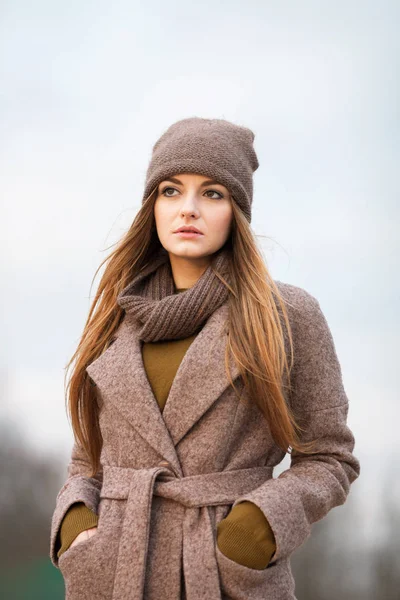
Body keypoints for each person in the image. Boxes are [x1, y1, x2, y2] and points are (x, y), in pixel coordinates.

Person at [49, 117, 360, 600]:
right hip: (113, 574)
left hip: (222, 575)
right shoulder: (115, 318)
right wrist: (76, 523)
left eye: (212, 193)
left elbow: (330, 458)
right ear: (152, 206)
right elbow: (88, 455)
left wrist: (253, 531)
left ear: (236, 210)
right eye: (171, 191)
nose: (188, 209)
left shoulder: (285, 315)